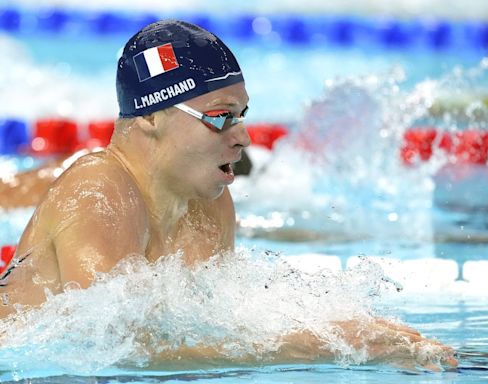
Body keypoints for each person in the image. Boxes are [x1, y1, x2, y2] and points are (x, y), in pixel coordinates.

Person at [0, 19, 457, 370]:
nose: (243, 137)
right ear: (151, 117)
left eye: (242, 115)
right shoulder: (99, 188)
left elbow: (205, 330)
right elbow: (107, 347)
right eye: (221, 117)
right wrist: (304, 346)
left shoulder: (208, 202)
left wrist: (355, 333)